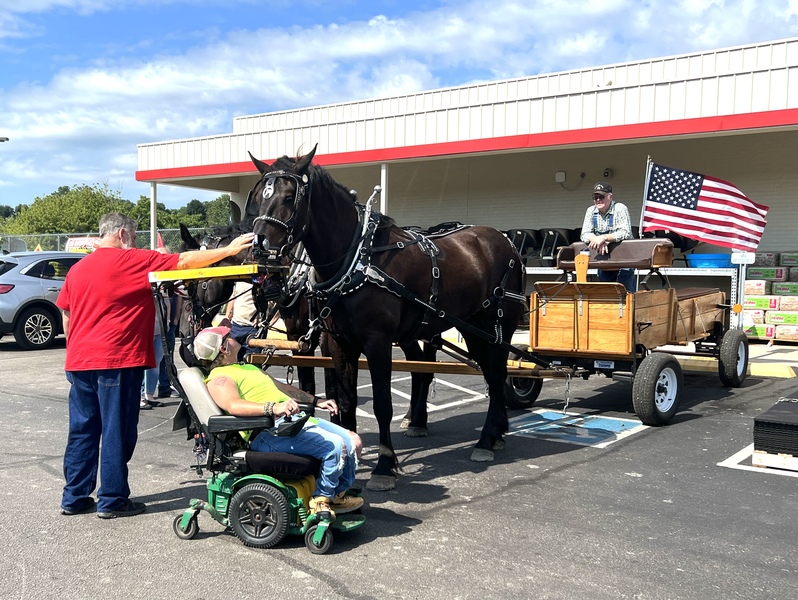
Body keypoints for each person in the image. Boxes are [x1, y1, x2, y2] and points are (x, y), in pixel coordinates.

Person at [57, 212, 254, 519]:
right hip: (118, 361)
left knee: (82, 430)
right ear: (123, 234)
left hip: (80, 362)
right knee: (116, 430)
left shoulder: (78, 269)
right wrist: (230, 250)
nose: (134, 242)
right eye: (133, 237)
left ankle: (74, 496)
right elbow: (186, 262)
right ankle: (111, 498)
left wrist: (77, 347)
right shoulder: (133, 260)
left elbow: (66, 314)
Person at [193, 324, 364, 517]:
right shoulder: (219, 378)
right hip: (268, 431)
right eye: (229, 336)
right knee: (336, 446)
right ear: (224, 348)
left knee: (354, 441)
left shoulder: (246, 367)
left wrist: (317, 401)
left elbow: (283, 388)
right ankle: (321, 499)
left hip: (292, 422)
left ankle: (337, 494)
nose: (233, 337)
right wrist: (272, 407)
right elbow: (234, 405)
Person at [580, 181, 636, 292]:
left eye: (601, 197)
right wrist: (596, 239)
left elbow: (625, 232)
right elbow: (584, 234)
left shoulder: (620, 208)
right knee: (606, 290)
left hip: (625, 258)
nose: (598, 200)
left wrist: (604, 238)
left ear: (610, 196)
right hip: (604, 258)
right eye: (595, 197)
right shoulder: (591, 211)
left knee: (625, 289)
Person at [226, 281, 259, 361]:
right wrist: (227, 318)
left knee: (252, 365)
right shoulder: (240, 280)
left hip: (253, 329)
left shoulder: (264, 281)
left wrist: (268, 323)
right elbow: (233, 298)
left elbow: (279, 304)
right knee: (231, 362)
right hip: (235, 327)